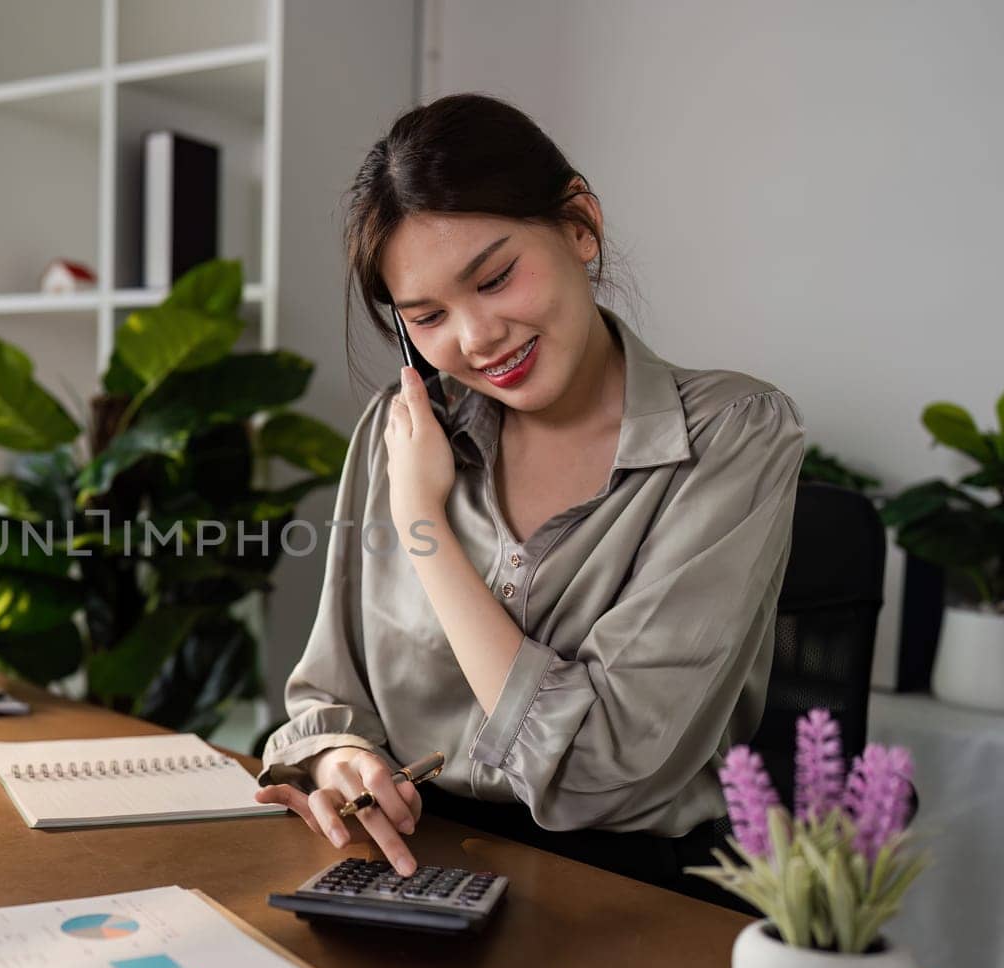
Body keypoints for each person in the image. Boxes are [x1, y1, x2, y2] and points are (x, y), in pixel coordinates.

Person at [252, 94, 804, 903]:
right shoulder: (402, 431)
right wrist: (343, 761)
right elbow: (329, 697)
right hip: (409, 869)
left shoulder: (735, 433)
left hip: (624, 900)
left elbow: (597, 773)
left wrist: (421, 523)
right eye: (429, 316)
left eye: (496, 277)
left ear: (580, 223)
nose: (475, 339)